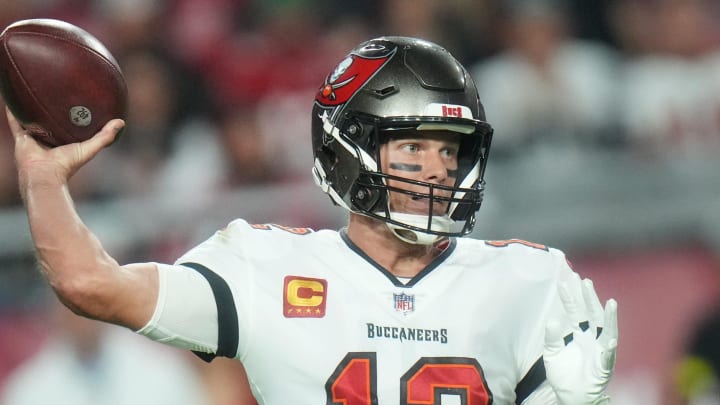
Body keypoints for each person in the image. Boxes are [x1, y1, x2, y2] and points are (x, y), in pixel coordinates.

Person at [7, 36, 618, 404]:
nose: (436, 169)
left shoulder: (529, 281)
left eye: (449, 149)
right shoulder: (263, 268)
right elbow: (91, 284)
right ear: (343, 152)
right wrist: (42, 177)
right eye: (411, 147)